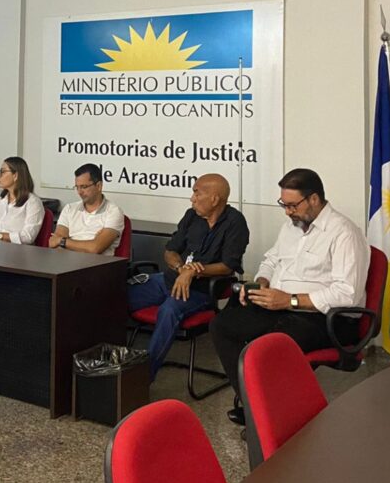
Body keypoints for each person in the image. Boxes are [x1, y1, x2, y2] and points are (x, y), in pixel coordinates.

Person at [210, 168, 369, 425]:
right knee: (223, 325)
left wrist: (290, 300)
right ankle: (255, 406)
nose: (287, 212)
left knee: (269, 345)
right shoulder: (292, 227)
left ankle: (268, 412)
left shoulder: (344, 233)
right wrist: (261, 282)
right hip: (282, 306)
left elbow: (347, 294)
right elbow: (271, 260)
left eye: (292, 206)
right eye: (283, 205)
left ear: (314, 199)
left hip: (326, 318)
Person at [128, 173, 249, 380]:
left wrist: (194, 271)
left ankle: (142, 378)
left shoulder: (235, 222)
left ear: (214, 199)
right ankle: (114, 366)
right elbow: (170, 250)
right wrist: (181, 268)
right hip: (169, 279)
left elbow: (228, 266)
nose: (192, 198)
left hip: (201, 290)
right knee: (120, 296)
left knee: (169, 310)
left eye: (196, 193)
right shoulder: (192, 216)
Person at [50, 163, 124, 255]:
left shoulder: (113, 212)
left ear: (99, 186)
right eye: (77, 187)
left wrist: (63, 241)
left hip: (97, 263)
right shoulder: (69, 209)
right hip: (68, 261)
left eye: (84, 187)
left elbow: (95, 248)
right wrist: (88, 244)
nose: (79, 192)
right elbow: (54, 244)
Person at [0, 157, 45, 244]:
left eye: (3, 172)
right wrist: (5, 237)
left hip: (16, 250)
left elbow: (27, 236)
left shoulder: (33, 202)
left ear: (15, 176)